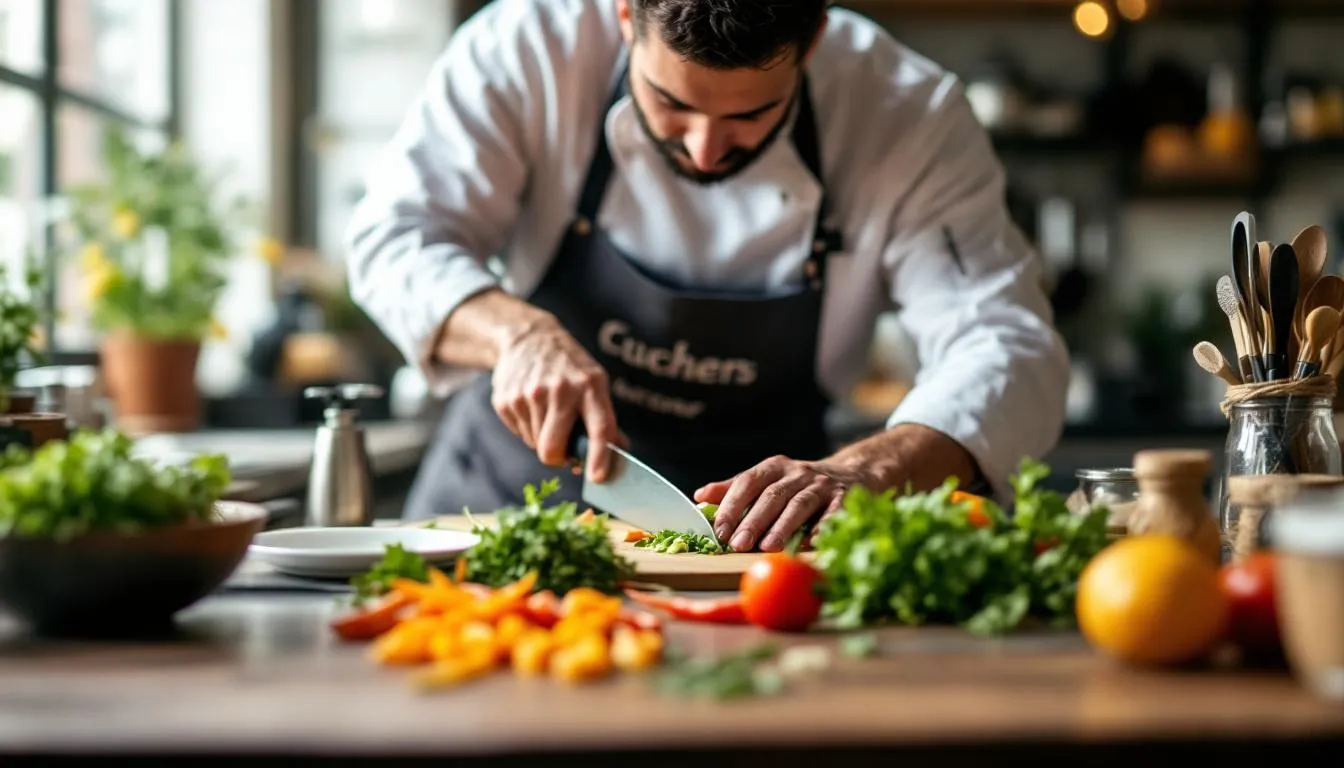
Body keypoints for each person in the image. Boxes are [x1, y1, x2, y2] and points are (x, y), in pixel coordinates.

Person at [345, 0, 1070, 552]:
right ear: (625, 15)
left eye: (754, 114)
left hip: (760, 549)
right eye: (671, 103)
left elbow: (1004, 341)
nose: (704, 149)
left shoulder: (908, 115)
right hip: (505, 512)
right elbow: (395, 239)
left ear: (812, 40)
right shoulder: (528, 48)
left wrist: (871, 468)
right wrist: (519, 335)